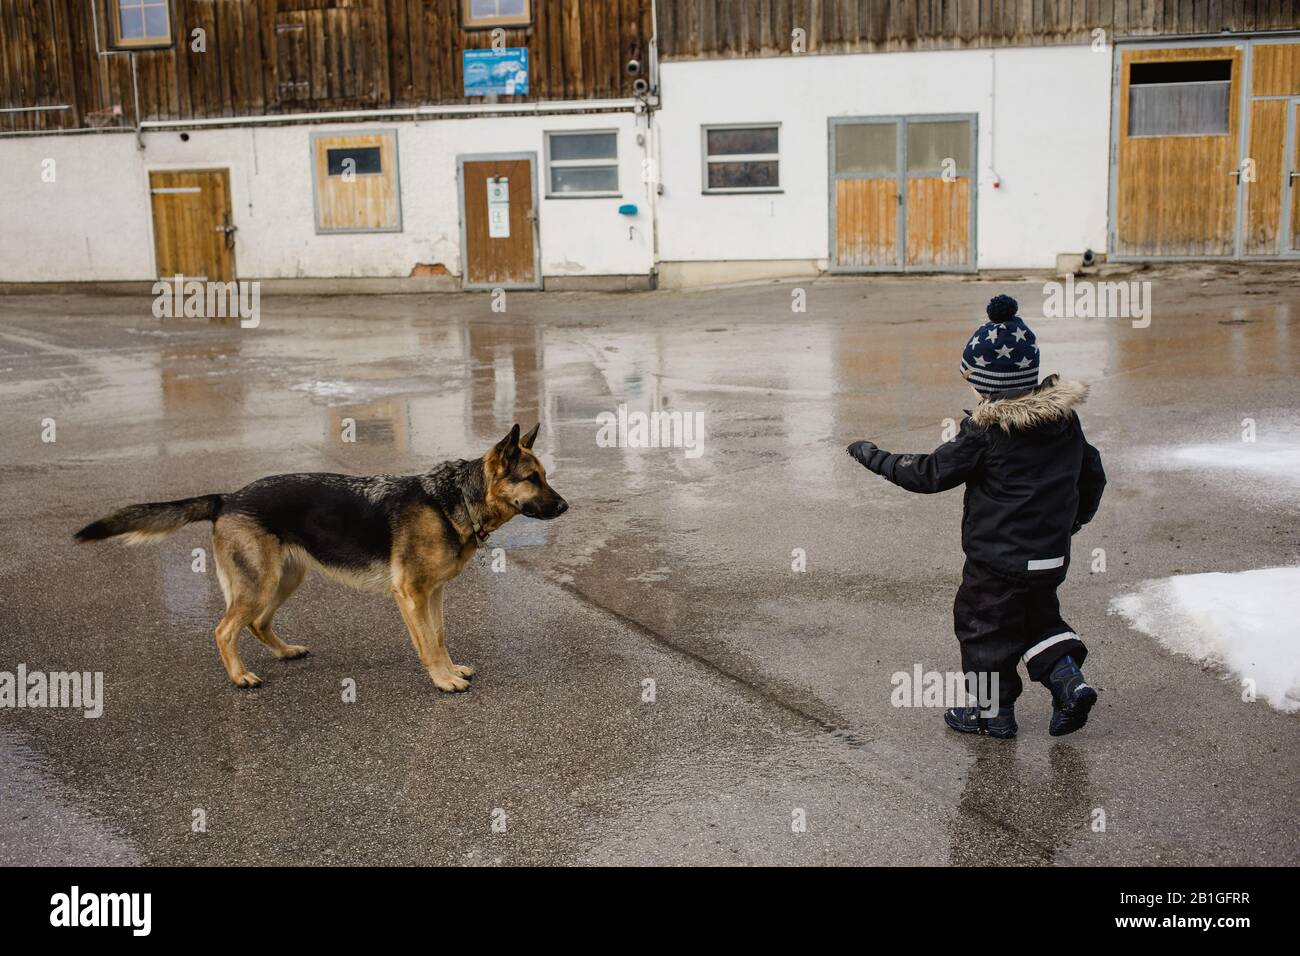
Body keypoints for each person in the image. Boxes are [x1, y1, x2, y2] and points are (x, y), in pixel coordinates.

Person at [848, 294, 1106, 738]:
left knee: (983, 628)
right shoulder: (1065, 422)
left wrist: (874, 457)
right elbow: (1093, 475)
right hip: (1049, 557)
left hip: (996, 562)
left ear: (983, 385)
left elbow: (929, 474)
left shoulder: (986, 432)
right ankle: (1069, 681)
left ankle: (993, 714)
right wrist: (1074, 522)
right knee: (1039, 619)